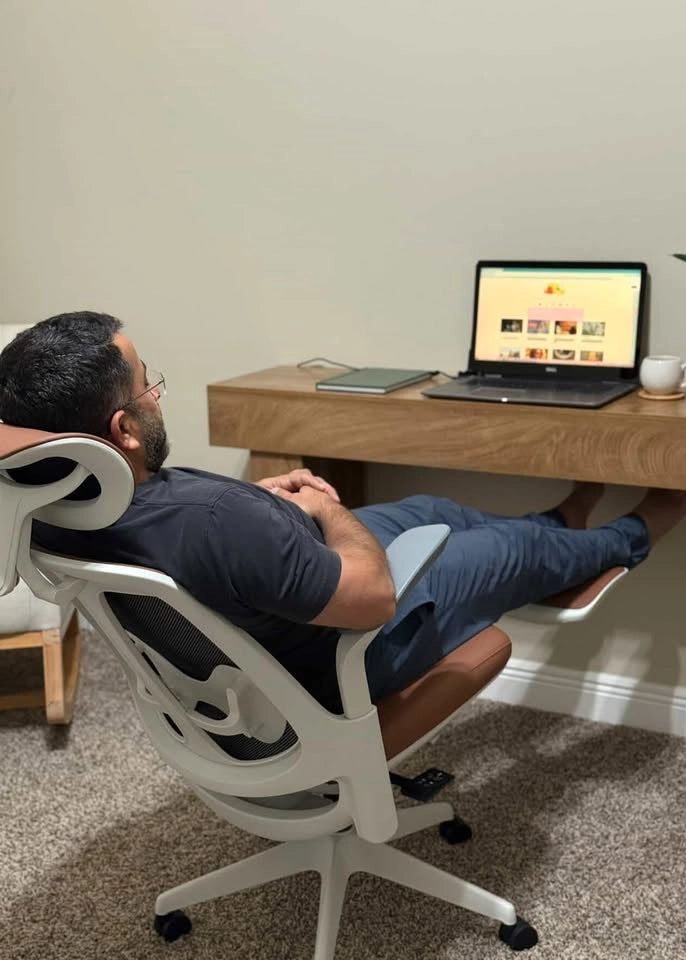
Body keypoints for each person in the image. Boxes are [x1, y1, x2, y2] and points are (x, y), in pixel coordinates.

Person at [1, 312, 685, 713]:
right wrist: (327, 510)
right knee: (506, 553)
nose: (159, 393)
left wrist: (258, 505)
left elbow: (191, 538)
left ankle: (561, 521)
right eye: (148, 382)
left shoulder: (53, 508)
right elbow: (376, 595)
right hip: (351, 649)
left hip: (273, 576)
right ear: (123, 430)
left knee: (434, 506)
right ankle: (630, 533)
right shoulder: (213, 523)